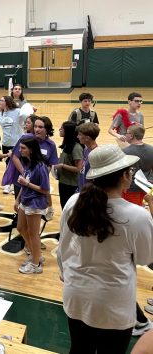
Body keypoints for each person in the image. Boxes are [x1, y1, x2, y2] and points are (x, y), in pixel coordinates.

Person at [58, 145, 153, 353]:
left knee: (79, 349)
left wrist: (67, 275)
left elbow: (63, 248)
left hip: (76, 296)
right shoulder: (138, 216)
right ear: (124, 177)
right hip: (114, 305)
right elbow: (146, 258)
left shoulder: (74, 202)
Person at [14, 137, 50, 274]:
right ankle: (36, 254)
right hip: (25, 200)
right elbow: (24, 183)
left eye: (23, 148)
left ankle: (36, 264)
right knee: (21, 228)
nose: (20, 150)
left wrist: (27, 184)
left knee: (33, 234)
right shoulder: (28, 163)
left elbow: (45, 190)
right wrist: (17, 199)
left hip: (35, 202)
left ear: (31, 150)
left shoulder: (41, 167)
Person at [0, 96, 29, 193]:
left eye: (2, 100)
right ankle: (8, 185)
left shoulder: (17, 111)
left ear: (7, 102)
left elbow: (27, 117)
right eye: (0, 100)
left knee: (19, 164)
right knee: (8, 164)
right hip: (6, 143)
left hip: (17, 143)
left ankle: (18, 184)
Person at [53, 122, 83, 209]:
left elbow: (78, 168)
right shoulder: (66, 145)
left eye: (62, 128)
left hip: (71, 185)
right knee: (64, 207)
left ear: (68, 131)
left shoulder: (77, 148)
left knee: (70, 210)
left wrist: (62, 165)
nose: (59, 129)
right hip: (63, 182)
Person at [122, 125, 153, 205]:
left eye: (127, 133)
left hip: (130, 189)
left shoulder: (125, 152)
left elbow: (123, 173)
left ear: (131, 136)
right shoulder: (151, 149)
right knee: (140, 208)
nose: (126, 135)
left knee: (132, 213)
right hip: (146, 186)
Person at [77, 122, 100, 192]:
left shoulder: (96, 155)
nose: (77, 136)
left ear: (87, 138)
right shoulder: (86, 149)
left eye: (80, 135)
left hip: (89, 194)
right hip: (81, 190)